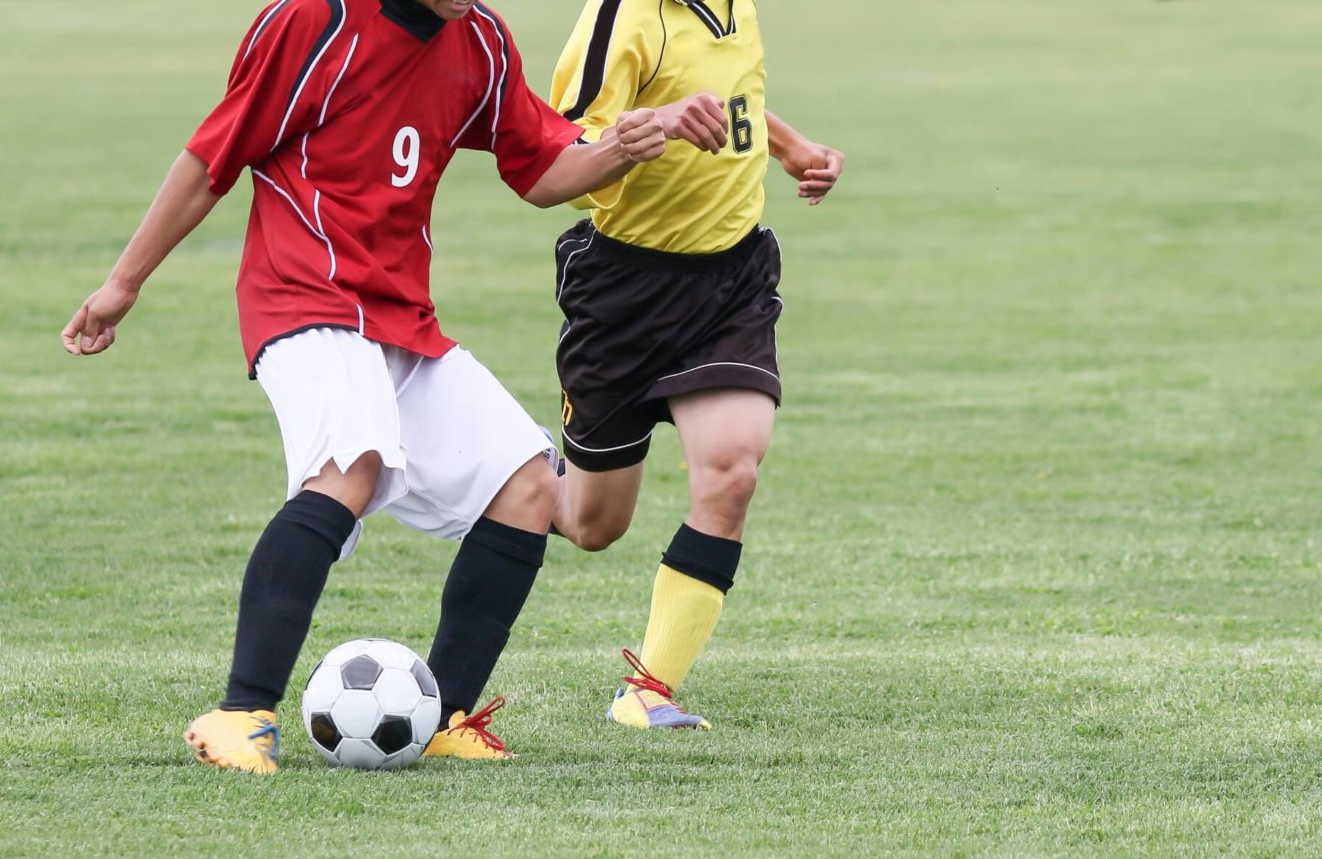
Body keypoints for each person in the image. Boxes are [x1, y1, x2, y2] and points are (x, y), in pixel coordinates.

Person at [60, 0, 706, 773]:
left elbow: (539, 170)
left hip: (401, 318)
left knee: (528, 485)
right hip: (301, 300)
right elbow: (212, 160)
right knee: (353, 466)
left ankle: (447, 713)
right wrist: (122, 282)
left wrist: (623, 149)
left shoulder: (481, 38)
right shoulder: (313, 21)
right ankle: (239, 712)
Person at [547, 0, 845, 729]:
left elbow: (734, 101)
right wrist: (655, 127)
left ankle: (648, 690)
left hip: (730, 282)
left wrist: (791, 145)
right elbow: (562, 159)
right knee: (593, 524)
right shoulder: (621, 17)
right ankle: (503, 489)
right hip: (625, 290)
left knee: (733, 467)